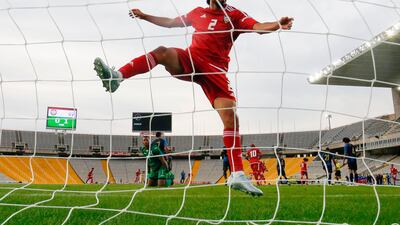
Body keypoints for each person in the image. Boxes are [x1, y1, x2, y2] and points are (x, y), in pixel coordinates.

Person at [93, 0, 293, 196]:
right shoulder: (198, 12)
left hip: (215, 71)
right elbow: (171, 22)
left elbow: (258, 27)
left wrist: (277, 24)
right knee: (162, 52)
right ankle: (117, 77)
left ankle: (238, 175)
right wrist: (145, 16)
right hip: (191, 59)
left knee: (231, 118)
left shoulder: (234, 15)